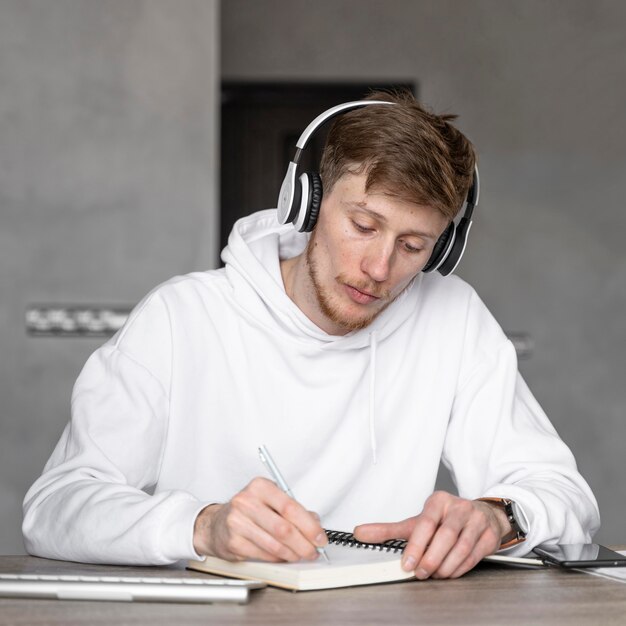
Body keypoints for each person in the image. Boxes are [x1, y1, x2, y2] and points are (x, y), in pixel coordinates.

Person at [23, 90, 599, 580]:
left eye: (413, 246)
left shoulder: (454, 318)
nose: (379, 267)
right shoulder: (181, 317)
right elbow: (54, 507)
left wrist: (500, 517)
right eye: (364, 225)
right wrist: (201, 525)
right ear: (306, 203)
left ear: (443, 248)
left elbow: (564, 495)